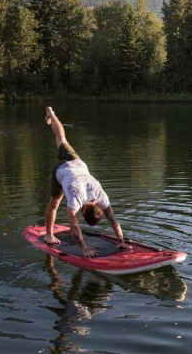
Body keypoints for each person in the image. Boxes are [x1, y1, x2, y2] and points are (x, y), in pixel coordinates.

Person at [43, 106, 130, 257]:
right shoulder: (77, 201)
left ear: (97, 206)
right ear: (83, 210)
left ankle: (51, 114)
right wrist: (85, 250)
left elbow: (112, 219)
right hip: (62, 171)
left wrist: (121, 240)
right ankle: (48, 235)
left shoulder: (100, 196)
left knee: (62, 139)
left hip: (78, 164)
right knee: (55, 203)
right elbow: (74, 226)